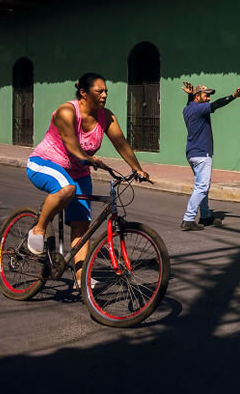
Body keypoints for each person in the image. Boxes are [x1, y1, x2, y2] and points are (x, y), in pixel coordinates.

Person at [25, 72, 150, 287]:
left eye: (106, 91)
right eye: (99, 91)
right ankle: (38, 229)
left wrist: (137, 169)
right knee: (66, 189)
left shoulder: (106, 116)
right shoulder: (66, 112)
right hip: (45, 162)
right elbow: (71, 143)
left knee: (82, 223)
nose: (104, 95)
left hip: (79, 170)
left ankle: (80, 277)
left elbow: (121, 143)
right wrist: (87, 158)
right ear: (84, 92)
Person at [180, 80, 240, 230]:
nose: (209, 98)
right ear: (198, 96)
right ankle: (188, 219)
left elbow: (191, 104)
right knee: (202, 186)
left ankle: (205, 216)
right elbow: (217, 104)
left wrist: (190, 96)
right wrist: (233, 96)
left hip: (192, 152)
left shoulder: (187, 109)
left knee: (203, 186)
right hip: (201, 153)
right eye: (206, 95)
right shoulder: (199, 109)